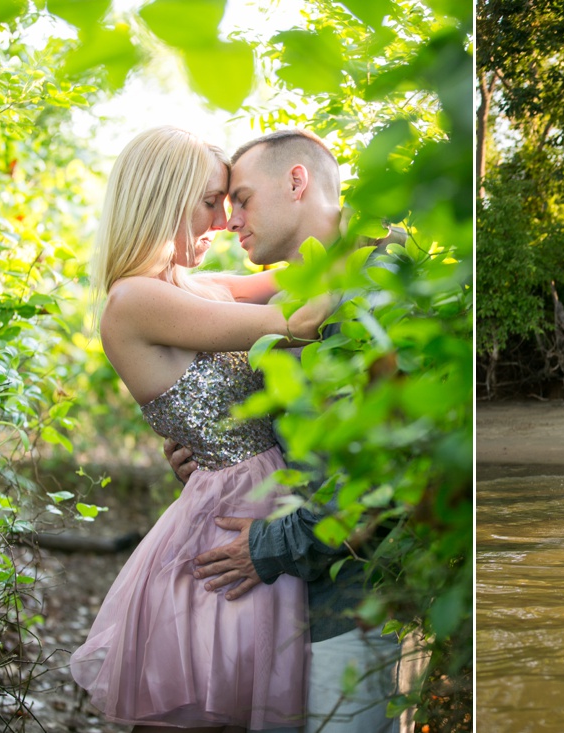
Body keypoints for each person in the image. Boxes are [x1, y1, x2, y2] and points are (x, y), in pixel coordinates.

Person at [70, 126, 334, 731]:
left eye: (232, 201)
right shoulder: (134, 300)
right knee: (207, 711)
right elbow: (302, 320)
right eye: (212, 200)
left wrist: (361, 228)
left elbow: (306, 268)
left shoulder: (201, 288)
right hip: (227, 519)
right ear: (166, 197)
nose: (224, 220)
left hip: (261, 503)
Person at [164, 128, 420, 733]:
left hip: (352, 608)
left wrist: (267, 546)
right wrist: (212, 450)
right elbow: (306, 432)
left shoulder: (381, 284)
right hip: (289, 605)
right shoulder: (309, 286)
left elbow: (385, 472)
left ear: (297, 181)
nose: (231, 221)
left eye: (244, 199)